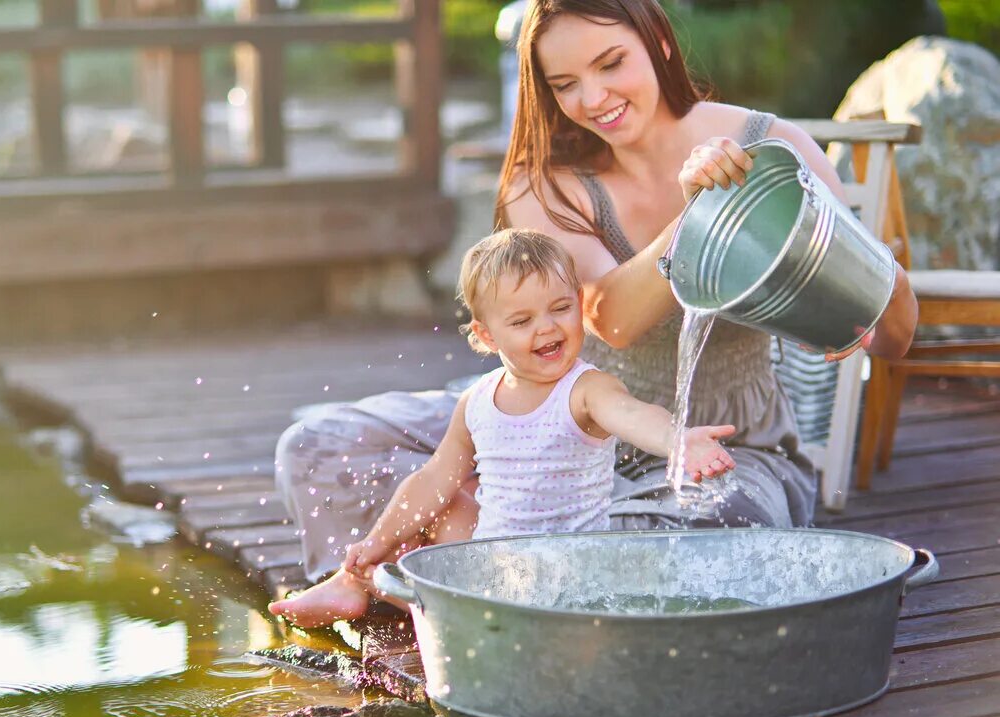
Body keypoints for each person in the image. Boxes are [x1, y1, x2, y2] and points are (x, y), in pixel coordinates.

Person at [273, 0, 918, 593]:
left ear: (659, 44)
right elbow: (610, 318)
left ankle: (477, 560)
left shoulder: (767, 146)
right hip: (556, 421)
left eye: (612, 64)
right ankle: (370, 580)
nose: (595, 98)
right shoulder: (543, 184)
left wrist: (851, 292)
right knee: (320, 446)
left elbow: (893, 332)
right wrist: (697, 221)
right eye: (565, 85)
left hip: (719, 444)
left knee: (699, 532)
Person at [269, 228, 736, 626]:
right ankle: (359, 577)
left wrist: (679, 441)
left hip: (568, 575)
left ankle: (388, 590)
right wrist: (375, 541)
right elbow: (434, 478)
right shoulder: (477, 401)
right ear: (486, 335)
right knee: (442, 499)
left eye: (560, 308)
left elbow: (632, 414)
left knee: (453, 557)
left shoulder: (586, 389)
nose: (547, 328)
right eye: (522, 320)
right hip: (492, 562)